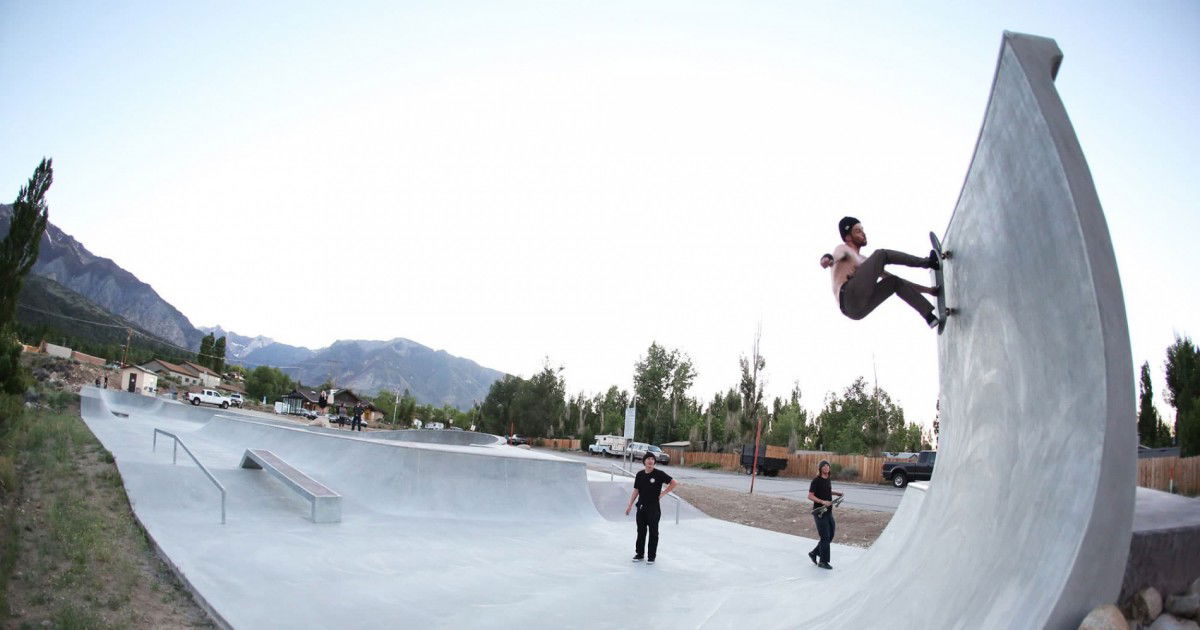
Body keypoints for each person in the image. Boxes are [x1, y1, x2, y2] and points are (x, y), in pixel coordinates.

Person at [819, 216, 940, 328]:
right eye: (858, 231)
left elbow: (898, 280)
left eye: (862, 230)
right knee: (881, 254)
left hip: (856, 313)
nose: (863, 233)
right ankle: (929, 262)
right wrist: (826, 259)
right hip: (848, 294)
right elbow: (834, 257)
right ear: (848, 237)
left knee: (894, 282)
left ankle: (929, 317)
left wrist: (928, 290)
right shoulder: (843, 249)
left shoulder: (865, 262)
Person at [625, 452, 678, 565]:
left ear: (654, 462)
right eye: (648, 459)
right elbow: (636, 490)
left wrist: (663, 494)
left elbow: (674, 483)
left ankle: (651, 556)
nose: (650, 461)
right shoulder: (640, 474)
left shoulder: (659, 474)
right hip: (641, 507)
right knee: (641, 531)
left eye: (652, 459)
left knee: (653, 533)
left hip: (653, 508)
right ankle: (639, 554)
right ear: (644, 461)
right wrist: (630, 505)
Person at [807, 460, 843, 570]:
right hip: (819, 512)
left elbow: (827, 490)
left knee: (830, 535)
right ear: (820, 468)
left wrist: (836, 493)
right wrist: (822, 502)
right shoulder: (816, 480)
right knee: (825, 537)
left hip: (828, 512)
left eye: (828, 466)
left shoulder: (828, 479)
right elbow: (810, 496)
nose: (826, 467)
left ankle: (814, 553)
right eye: (824, 466)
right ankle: (823, 561)